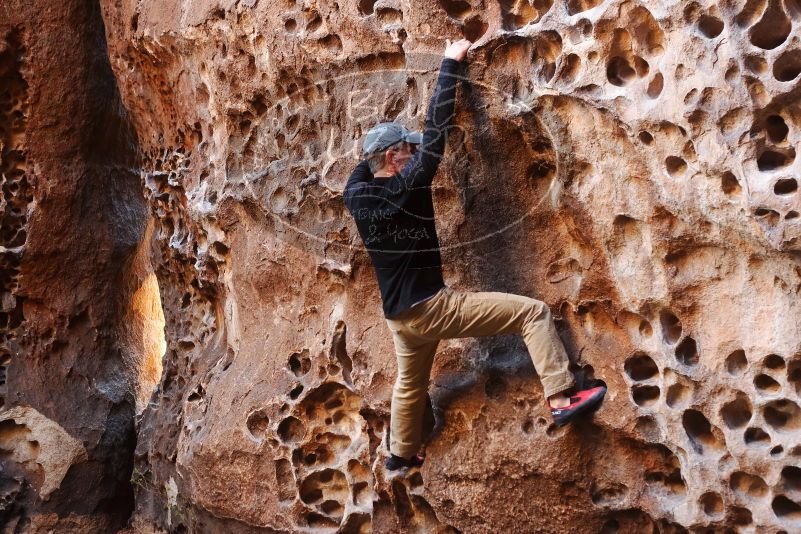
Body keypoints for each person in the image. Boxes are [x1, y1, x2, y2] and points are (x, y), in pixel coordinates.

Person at [343, 38, 606, 471]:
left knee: (410, 386)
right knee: (532, 313)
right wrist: (450, 63)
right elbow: (436, 128)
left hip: (399, 318)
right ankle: (561, 396)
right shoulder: (407, 187)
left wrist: (381, 146)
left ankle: (401, 454)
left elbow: (368, 160)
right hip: (432, 307)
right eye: (405, 151)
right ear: (393, 158)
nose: (415, 153)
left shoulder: (357, 193)